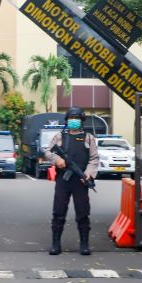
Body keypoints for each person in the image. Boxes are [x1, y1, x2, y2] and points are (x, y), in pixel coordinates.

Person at [44, 107, 99, 256]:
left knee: (83, 213)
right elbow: (47, 151)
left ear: (81, 120)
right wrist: (57, 160)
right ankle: (56, 244)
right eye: (71, 118)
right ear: (67, 120)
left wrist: (89, 174)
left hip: (81, 181)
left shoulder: (88, 138)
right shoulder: (59, 136)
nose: (73, 121)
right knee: (58, 212)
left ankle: (84, 244)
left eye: (77, 118)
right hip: (63, 180)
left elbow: (94, 158)